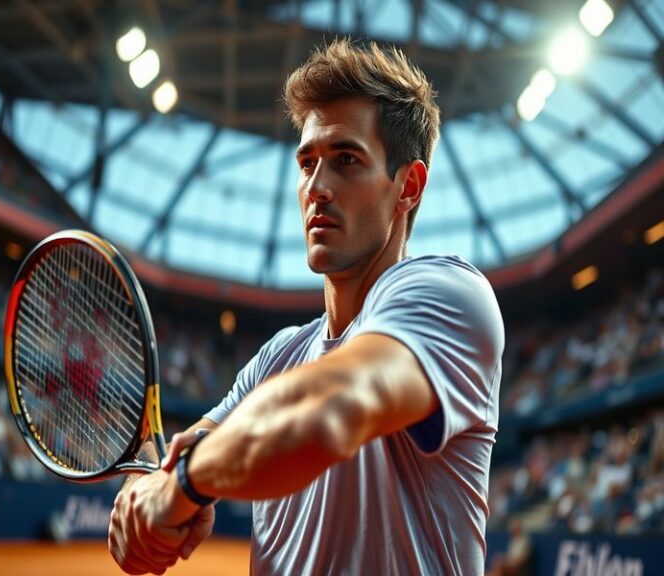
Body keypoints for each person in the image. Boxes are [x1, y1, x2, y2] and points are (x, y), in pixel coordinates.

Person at [108, 38, 505, 575]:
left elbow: (324, 415)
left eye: (346, 160)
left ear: (408, 186)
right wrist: (149, 489)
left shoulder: (449, 295)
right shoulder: (279, 358)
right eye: (307, 162)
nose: (317, 187)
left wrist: (180, 485)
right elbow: (201, 443)